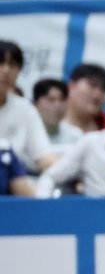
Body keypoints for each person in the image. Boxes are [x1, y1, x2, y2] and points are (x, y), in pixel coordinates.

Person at [0, 40, 58, 174]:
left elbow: (44, 156)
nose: (6, 70)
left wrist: (71, 174)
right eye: (0, 63)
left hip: (11, 187)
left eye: (13, 65)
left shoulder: (24, 109)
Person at [32, 78, 83, 150]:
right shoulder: (26, 135)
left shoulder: (75, 135)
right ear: (35, 103)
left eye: (62, 99)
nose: (57, 106)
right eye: (51, 99)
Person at [63, 63, 105, 134]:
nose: (98, 94)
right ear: (71, 86)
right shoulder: (44, 125)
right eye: (92, 85)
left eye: (104, 89)